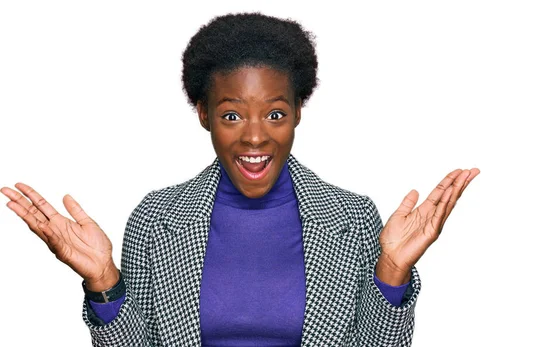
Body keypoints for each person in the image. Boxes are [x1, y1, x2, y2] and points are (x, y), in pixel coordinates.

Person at [1, 12, 479, 346]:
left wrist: (392, 272)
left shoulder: (352, 219)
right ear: (205, 114)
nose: (256, 138)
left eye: (275, 113)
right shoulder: (156, 220)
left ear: (296, 115)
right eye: (232, 116)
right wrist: (103, 281)